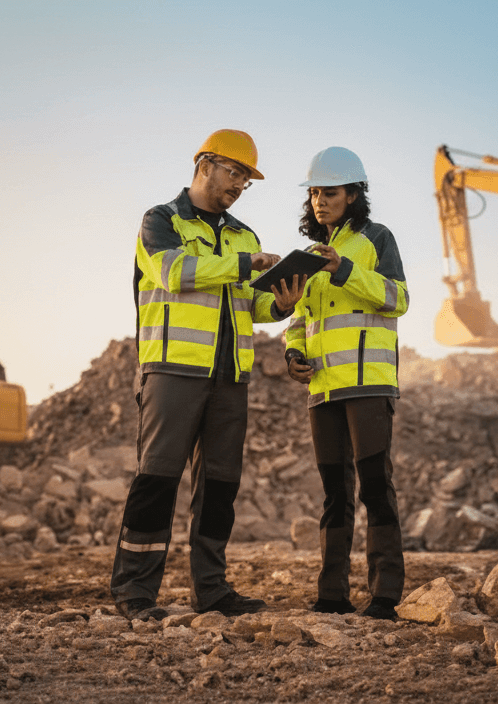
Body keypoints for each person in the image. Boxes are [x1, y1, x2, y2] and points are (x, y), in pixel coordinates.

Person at [112, 129, 304, 621]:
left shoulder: (245, 234)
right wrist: (244, 264)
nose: (240, 185)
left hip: (230, 377)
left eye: (246, 179)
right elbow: (174, 272)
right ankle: (135, 593)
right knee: (157, 479)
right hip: (172, 370)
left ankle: (212, 590)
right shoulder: (161, 220)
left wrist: (279, 305)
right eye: (235, 173)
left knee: (219, 487)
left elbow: (252, 302)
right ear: (205, 165)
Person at [283, 147, 409, 620]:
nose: (319, 200)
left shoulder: (376, 239)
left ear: (353, 194)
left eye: (329, 192)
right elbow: (300, 318)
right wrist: (293, 351)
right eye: (314, 193)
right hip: (323, 390)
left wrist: (346, 271)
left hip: (369, 386)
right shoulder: (310, 255)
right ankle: (332, 595)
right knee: (334, 493)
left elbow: (398, 298)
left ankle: (384, 596)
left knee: (375, 487)